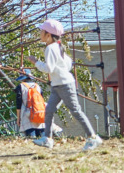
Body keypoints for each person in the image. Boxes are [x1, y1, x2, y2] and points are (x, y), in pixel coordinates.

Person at [26, 19, 102, 151]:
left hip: (64, 85)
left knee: (76, 111)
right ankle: (47, 139)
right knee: (49, 111)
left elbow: (48, 68)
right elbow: (68, 63)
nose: (40, 33)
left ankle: (93, 137)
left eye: (41, 31)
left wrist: (35, 62)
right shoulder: (59, 46)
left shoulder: (50, 48)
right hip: (60, 84)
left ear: (48, 34)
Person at [15, 71, 46, 138]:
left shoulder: (21, 86)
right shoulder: (38, 86)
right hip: (39, 113)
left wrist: (18, 118)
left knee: (31, 137)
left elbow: (19, 104)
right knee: (42, 135)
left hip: (27, 114)